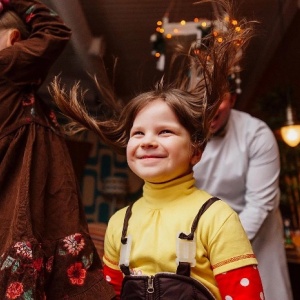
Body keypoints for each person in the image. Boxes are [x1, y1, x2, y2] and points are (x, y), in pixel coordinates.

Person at [50, 1, 265, 299]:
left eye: (165, 131)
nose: (148, 141)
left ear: (195, 150)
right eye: (138, 133)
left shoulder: (217, 218)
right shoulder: (119, 223)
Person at [0, 0, 115, 299]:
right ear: (14, 40)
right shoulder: (5, 66)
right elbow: (56, 30)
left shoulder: (14, 85)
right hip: (20, 213)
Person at [193, 89, 293, 300]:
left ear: (232, 99)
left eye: (217, 98)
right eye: (202, 98)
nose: (209, 106)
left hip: (257, 241)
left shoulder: (256, 133)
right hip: (202, 243)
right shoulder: (184, 132)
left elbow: (258, 205)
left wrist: (221, 250)